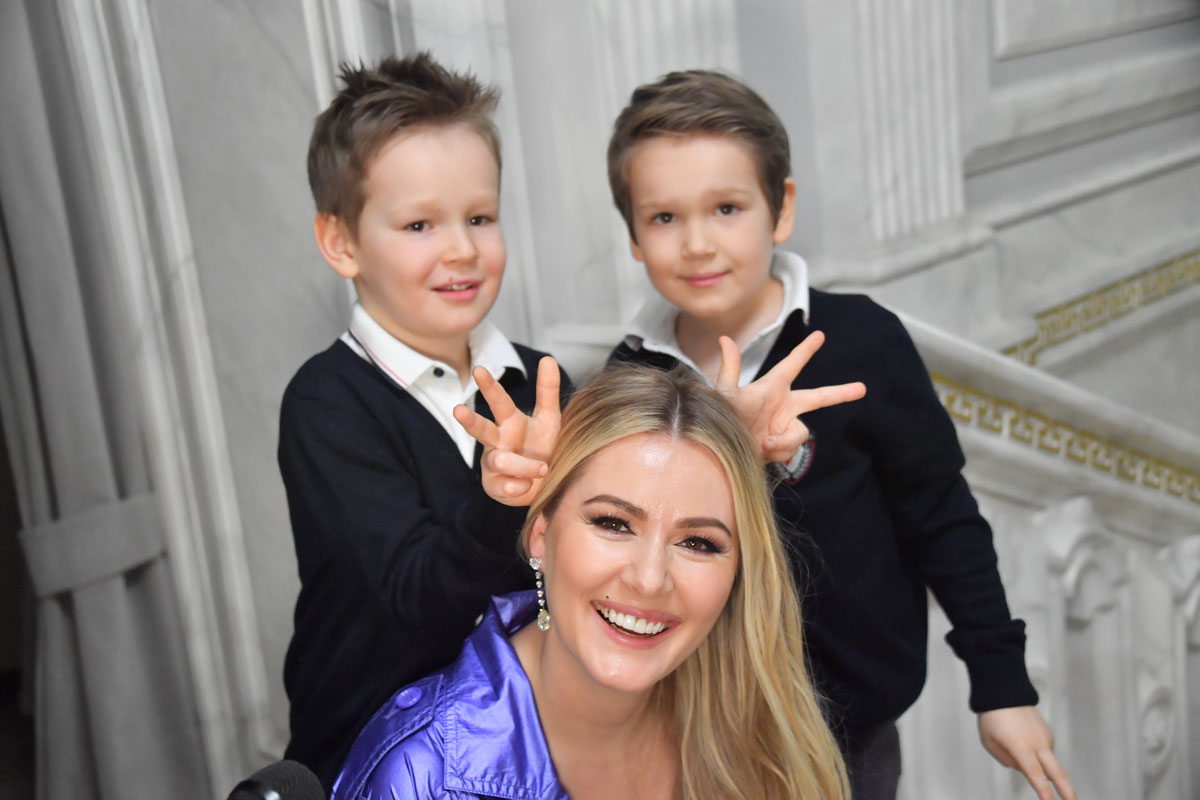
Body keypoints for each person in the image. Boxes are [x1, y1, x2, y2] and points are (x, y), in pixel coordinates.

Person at [597, 70, 1077, 800]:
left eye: (726, 208)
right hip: (692, 724)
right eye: (664, 217)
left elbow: (942, 517)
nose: (697, 243)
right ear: (634, 236)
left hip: (849, 732)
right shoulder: (631, 376)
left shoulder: (862, 341)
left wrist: (1002, 684)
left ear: (780, 208)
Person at [333, 365, 850, 800]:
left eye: (698, 542)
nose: (649, 580)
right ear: (540, 535)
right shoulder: (420, 774)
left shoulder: (763, 735)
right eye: (613, 523)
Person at [276, 52, 573, 791]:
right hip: (381, 751)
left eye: (479, 217)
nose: (462, 249)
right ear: (342, 242)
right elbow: (418, 599)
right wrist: (501, 499)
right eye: (419, 224)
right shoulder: (326, 403)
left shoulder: (539, 381)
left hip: (524, 743)